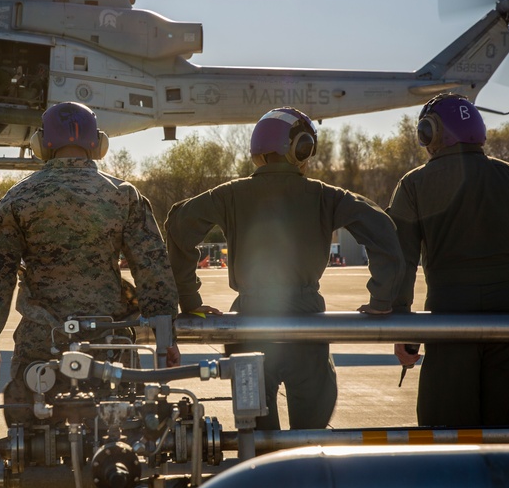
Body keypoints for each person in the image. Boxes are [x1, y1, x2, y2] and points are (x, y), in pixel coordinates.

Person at [165, 107, 405, 432]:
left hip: (249, 321)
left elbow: (179, 225)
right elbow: (382, 231)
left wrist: (190, 301)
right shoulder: (324, 196)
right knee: (310, 436)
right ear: (300, 149)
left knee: (257, 439)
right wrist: (381, 299)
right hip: (307, 321)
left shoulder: (230, 194)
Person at [0, 101, 181, 421]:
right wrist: (166, 339)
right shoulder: (124, 195)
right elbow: (153, 268)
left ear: (41, 145)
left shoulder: (18, 198)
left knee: (30, 439)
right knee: (117, 437)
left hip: (41, 342)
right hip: (110, 340)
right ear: (98, 144)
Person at [387, 93, 509, 427]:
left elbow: (400, 259)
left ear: (431, 133)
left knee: (445, 433)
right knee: (507, 431)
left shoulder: (414, 184)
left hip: (449, 319)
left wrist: (403, 326)